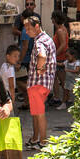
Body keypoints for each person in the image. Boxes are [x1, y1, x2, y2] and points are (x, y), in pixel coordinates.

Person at [24, 15, 57, 149]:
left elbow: (42, 56)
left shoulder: (39, 42)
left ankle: (43, 141)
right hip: (44, 82)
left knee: (39, 113)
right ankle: (35, 138)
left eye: (28, 28)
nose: (26, 31)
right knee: (36, 112)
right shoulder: (47, 38)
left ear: (36, 26)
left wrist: (39, 69)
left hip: (38, 82)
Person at [12, 0, 38, 71]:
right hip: (30, 54)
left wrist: (19, 61)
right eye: (27, 4)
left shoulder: (26, 30)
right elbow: (14, 30)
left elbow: (25, 47)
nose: (29, 6)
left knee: (23, 77)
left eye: (31, 4)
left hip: (26, 57)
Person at [51, 10, 70, 108]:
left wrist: (54, 55)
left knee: (62, 80)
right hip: (60, 57)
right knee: (56, 79)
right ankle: (58, 98)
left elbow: (63, 45)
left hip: (60, 58)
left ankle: (65, 100)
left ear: (54, 19)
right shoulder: (63, 29)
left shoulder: (60, 30)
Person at [0, 43, 20, 110]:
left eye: (18, 56)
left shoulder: (4, 65)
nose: (17, 58)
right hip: (8, 94)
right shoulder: (10, 69)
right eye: (15, 56)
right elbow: (11, 86)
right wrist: (13, 98)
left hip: (2, 93)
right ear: (8, 56)